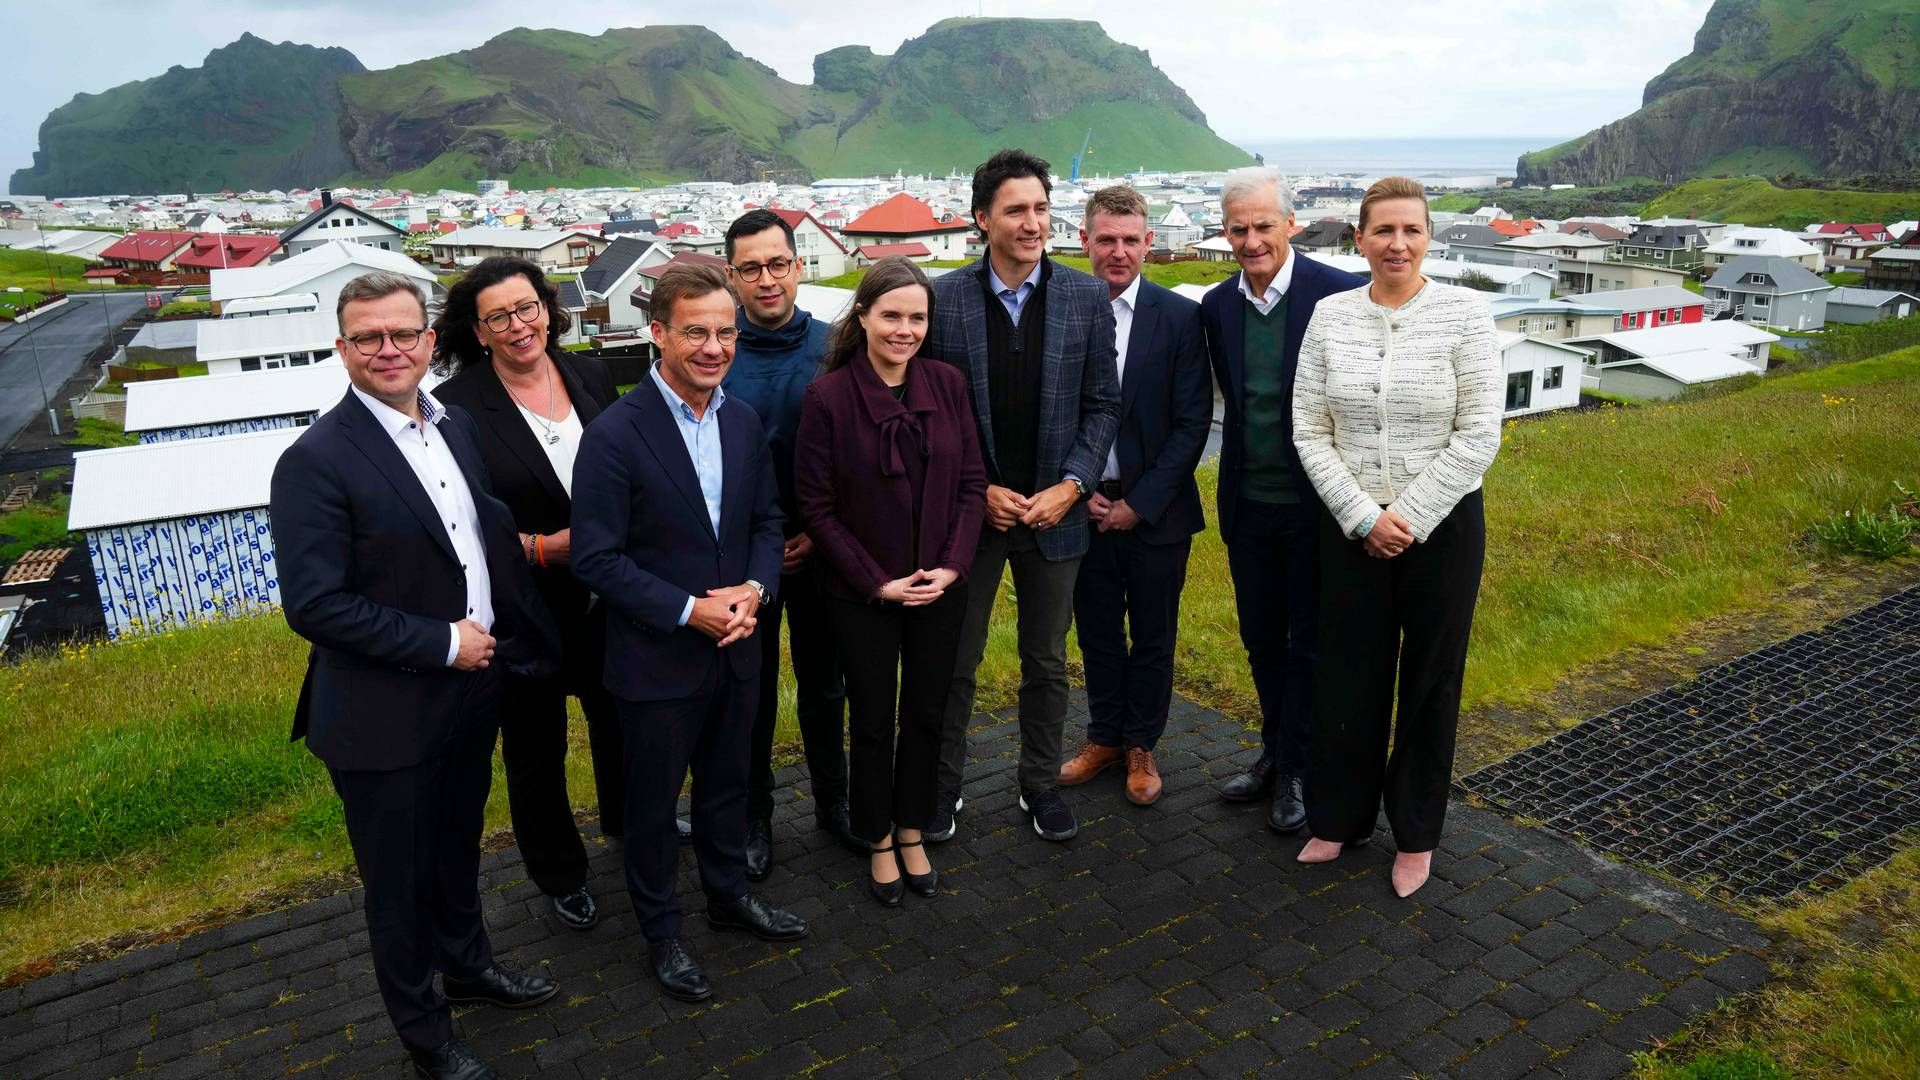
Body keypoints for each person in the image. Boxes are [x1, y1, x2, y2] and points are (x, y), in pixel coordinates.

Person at [271, 272, 561, 1080]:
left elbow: (486, 539)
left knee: (457, 851)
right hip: (381, 715)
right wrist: (443, 642)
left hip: (471, 693)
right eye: (368, 337)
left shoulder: (456, 426)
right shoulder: (315, 461)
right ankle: (426, 1036)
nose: (388, 349)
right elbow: (316, 605)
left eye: (404, 333)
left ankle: (469, 971)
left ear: (433, 342)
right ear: (343, 349)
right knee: (397, 888)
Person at [570, 262, 808, 1004]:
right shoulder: (614, 433)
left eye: (725, 332)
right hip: (656, 659)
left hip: (738, 646)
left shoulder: (740, 420)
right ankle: (662, 932)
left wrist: (756, 590)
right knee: (650, 807)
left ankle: (729, 899)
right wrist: (686, 609)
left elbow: (767, 522)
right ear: (658, 333)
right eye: (696, 332)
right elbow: (595, 557)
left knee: (729, 786)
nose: (713, 347)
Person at [1291, 176, 1502, 898]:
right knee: (1347, 673)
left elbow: (1478, 435)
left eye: (1410, 230)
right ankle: (1340, 817)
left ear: (1428, 237)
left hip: (1440, 530)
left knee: (1430, 682)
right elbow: (1309, 429)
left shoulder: (1466, 317)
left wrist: (1405, 518)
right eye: (1382, 230)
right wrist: (1362, 516)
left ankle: (1415, 834)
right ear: (1359, 238)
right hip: (1351, 525)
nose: (1397, 244)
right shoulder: (1329, 316)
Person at [921, 148, 1120, 844]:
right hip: (969, 520)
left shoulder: (1085, 296)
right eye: (1017, 210)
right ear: (982, 219)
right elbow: (931, 420)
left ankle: (1039, 787)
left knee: (1046, 662)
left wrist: (1071, 486)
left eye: (1040, 207)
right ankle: (941, 791)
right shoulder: (942, 301)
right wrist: (979, 493)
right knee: (956, 662)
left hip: (1055, 515)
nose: (1034, 222)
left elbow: (1103, 406)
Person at [430, 257, 623, 934]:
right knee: (536, 748)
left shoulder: (590, 373)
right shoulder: (455, 409)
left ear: (548, 307)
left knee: (619, 720)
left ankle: (628, 826)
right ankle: (560, 872)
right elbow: (456, 527)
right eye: (499, 317)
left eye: (528, 308)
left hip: (607, 597)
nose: (519, 326)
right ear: (478, 332)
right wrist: (545, 548)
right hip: (523, 607)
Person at [794, 257, 987, 906]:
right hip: (862, 595)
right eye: (892, 316)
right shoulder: (828, 398)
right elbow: (816, 508)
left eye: (917, 318)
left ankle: (912, 828)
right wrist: (878, 583)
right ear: (864, 317)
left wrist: (954, 566)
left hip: (939, 587)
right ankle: (876, 835)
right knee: (873, 718)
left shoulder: (948, 384)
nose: (905, 330)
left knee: (927, 713)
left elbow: (971, 485)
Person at [1199, 166, 1367, 835]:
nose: (1251, 239)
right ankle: (1275, 751)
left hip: (1317, 508)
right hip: (1248, 501)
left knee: (1309, 644)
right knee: (1260, 640)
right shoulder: (1215, 307)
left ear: (1290, 224)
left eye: (1263, 225)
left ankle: (1298, 767)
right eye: (1238, 228)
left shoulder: (1339, 294)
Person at [1056, 186, 1211, 806]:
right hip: (1082, 506)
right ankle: (1105, 737)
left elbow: (1192, 422)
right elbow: (1055, 415)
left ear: (1149, 243)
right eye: (1105, 240)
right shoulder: (1062, 310)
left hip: (1157, 513)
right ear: (1085, 243)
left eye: (1129, 240)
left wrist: (1137, 503)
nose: (1117, 252)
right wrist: (1084, 489)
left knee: (1152, 634)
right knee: (1094, 632)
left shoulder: (1179, 318)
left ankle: (1142, 742)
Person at [721, 208, 857, 878]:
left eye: (778, 264)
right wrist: (764, 547)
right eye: (751, 268)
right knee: (750, 693)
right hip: (746, 558)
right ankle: (755, 817)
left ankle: (835, 802)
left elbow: (854, 453)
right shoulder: (716, 353)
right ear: (732, 275)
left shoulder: (836, 347)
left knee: (825, 683)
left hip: (825, 546)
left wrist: (814, 530)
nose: (766, 279)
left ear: (799, 266)